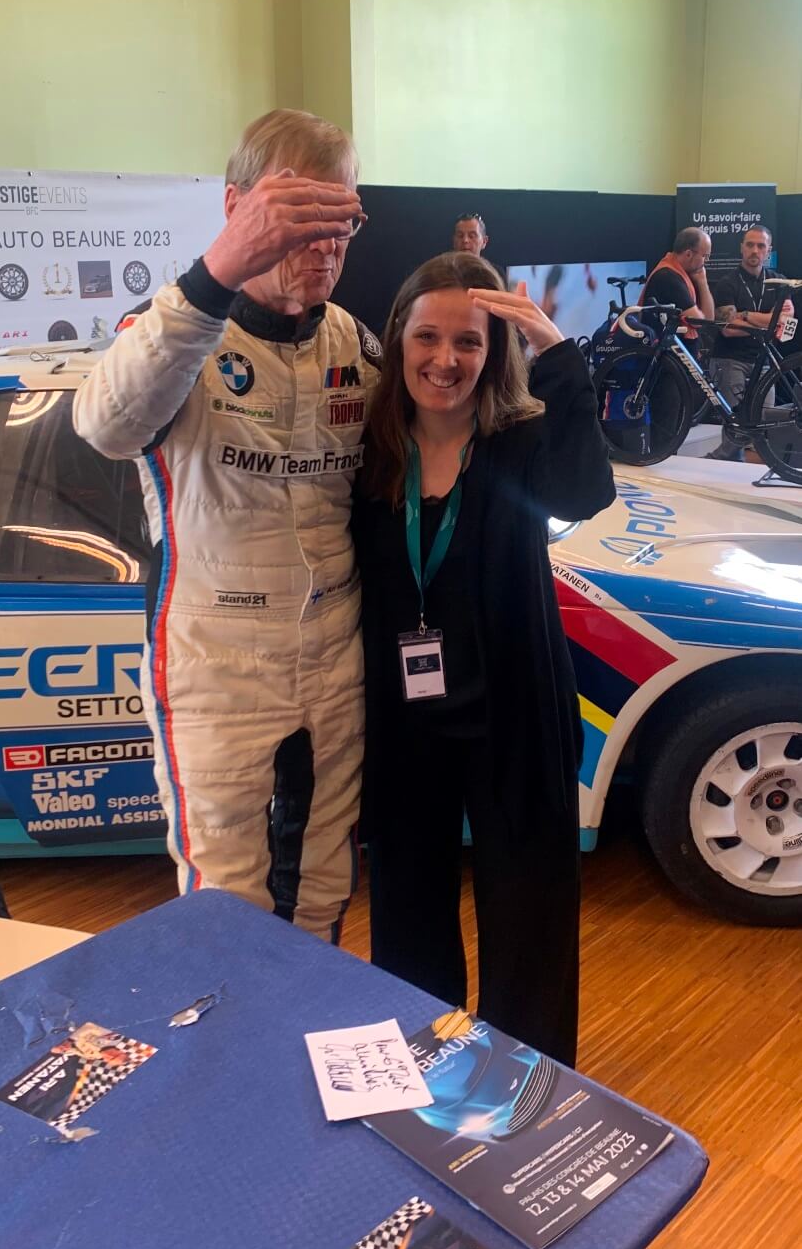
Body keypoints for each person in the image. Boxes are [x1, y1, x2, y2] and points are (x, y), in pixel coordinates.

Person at [73, 109, 382, 940]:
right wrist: (214, 278)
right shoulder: (173, 330)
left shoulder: (355, 344)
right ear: (237, 206)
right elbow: (104, 426)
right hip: (217, 657)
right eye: (301, 217)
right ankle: (233, 1024)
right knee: (226, 894)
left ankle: (309, 1019)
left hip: (337, 649)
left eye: (343, 221)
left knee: (324, 882)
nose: (326, 244)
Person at [353, 253, 615, 1066]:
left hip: (514, 710)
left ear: (493, 352)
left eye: (469, 342)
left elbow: (586, 492)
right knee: (408, 913)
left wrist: (557, 353)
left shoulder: (520, 440)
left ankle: (523, 1086)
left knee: (530, 914)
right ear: (398, 340)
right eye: (427, 337)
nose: (446, 359)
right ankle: (424, 1070)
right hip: (405, 718)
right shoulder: (368, 451)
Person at [707, 225, 792, 461]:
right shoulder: (727, 283)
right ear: (742, 248)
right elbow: (728, 329)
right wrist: (769, 320)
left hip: (764, 361)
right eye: (750, 245)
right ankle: (722, 464)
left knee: (762, 424)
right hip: (729, 359)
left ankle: (733, 465)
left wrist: (745, 316)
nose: (755, 250)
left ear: (768, 251)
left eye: (761, 246)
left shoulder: (780, 282)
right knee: (735, 425)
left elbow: (786, 323)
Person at [639, 227, 715, 351]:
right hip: (665, 352)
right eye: (705, 256)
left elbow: (709, 319)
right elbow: (698, 321)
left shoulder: (685, 274)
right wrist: (702, 282)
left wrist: (703, 283)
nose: (706, 261)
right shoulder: (668, 277)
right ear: (688, 254)